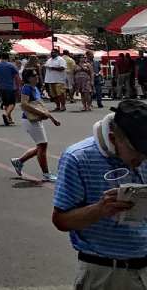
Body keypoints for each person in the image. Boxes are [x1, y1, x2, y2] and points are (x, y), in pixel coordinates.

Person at [52, 101, 147, 288]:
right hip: (106, 272)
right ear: (113, 139)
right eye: (137, 154)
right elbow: (61, 220)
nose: (142, 160)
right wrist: (99, 209)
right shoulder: (78, 158)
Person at [10, 62, 61, 181]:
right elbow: (24, 104)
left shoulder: (35, 88)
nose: (37, 77)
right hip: (30, 120)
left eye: (37, 75)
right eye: (34, 75)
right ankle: (46, 174)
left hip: (36, 119)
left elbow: (40, 106)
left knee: (41, 146)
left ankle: (19, 161)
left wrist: (52, 118)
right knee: (42, 145)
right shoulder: (27, 88)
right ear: (28, 78)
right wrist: (42, 114)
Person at [0, 53, 20, 126]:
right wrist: (18, 86)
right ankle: (6, 114)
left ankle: (9, 118)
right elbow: (16, 77)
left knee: (6, 103)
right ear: (8, 58)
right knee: (12, 103)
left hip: (1, 86)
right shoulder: (11, 65)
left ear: (1, 57)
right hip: (10, 86)